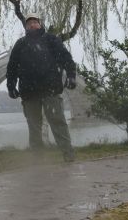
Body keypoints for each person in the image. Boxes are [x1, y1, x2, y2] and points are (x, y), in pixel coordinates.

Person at [6, 13, 77, 162]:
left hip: (50, 89)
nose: (32, 25)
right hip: (29, 93)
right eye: (29, 23)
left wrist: (71, 75)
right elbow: (12, 67)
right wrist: (11, 85)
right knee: (34, 127)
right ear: (26, 27)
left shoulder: (51, 40)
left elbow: (66, 58)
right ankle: (37, 159)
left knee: (58, 122)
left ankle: (68, 154)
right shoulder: (21, 44)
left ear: (40, 24)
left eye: (34, 22)